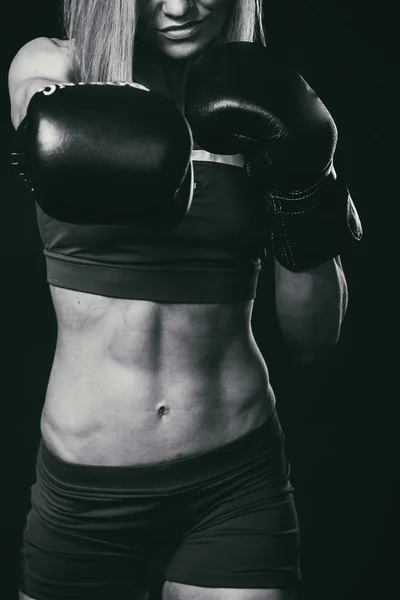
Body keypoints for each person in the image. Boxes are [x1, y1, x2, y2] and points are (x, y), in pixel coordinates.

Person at [8, 1, 362, 599]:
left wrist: (304, 183)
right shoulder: (58, 67)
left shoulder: (265, 100)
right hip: (87, 494)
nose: (179, 6)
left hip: (236, 479)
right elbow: (36, 110)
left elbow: (314, 337)